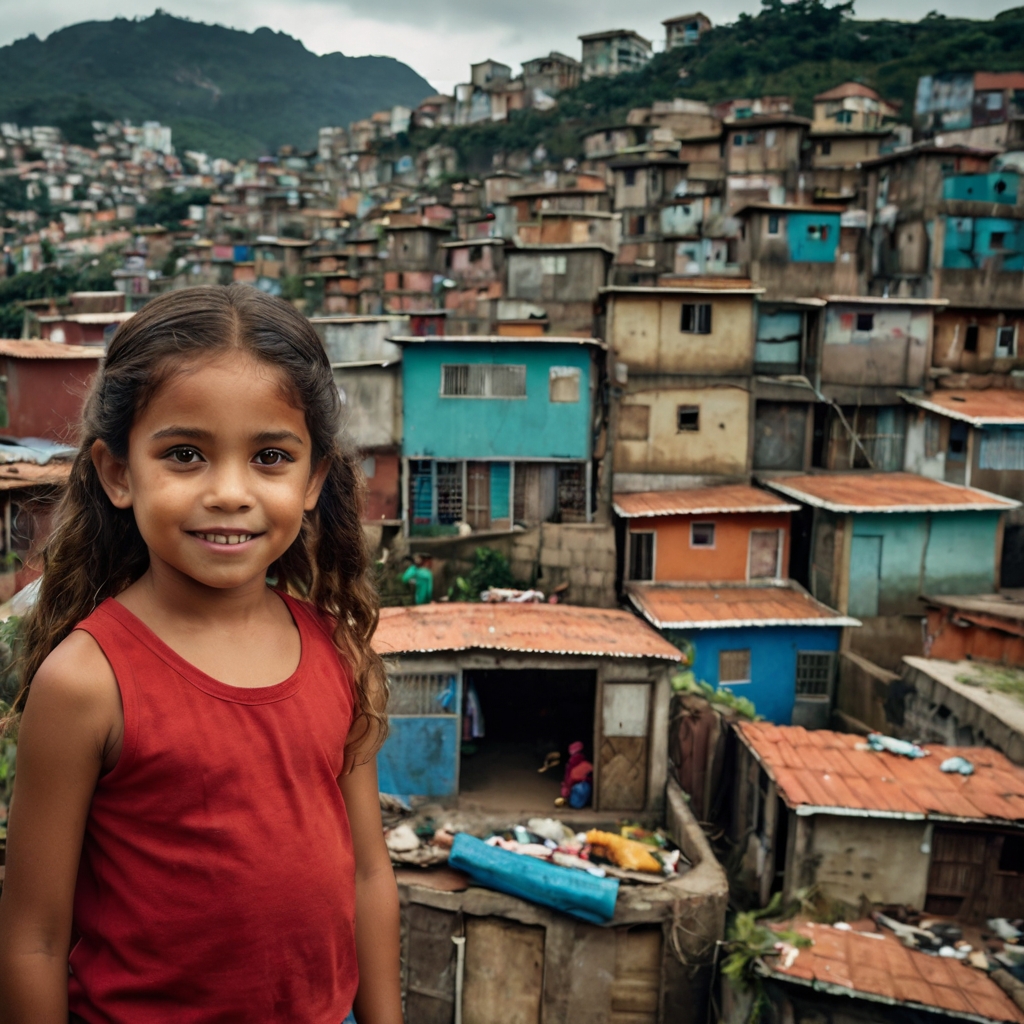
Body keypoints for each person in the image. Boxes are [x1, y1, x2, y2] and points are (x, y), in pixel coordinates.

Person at [0, 285, 402, 1024]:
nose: (229, 493)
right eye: (185, 454)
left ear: (313, 479)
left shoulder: (338, 651)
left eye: (271, 457)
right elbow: (33, 937)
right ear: (118, 473)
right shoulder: (88, 683)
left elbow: (370, 875)